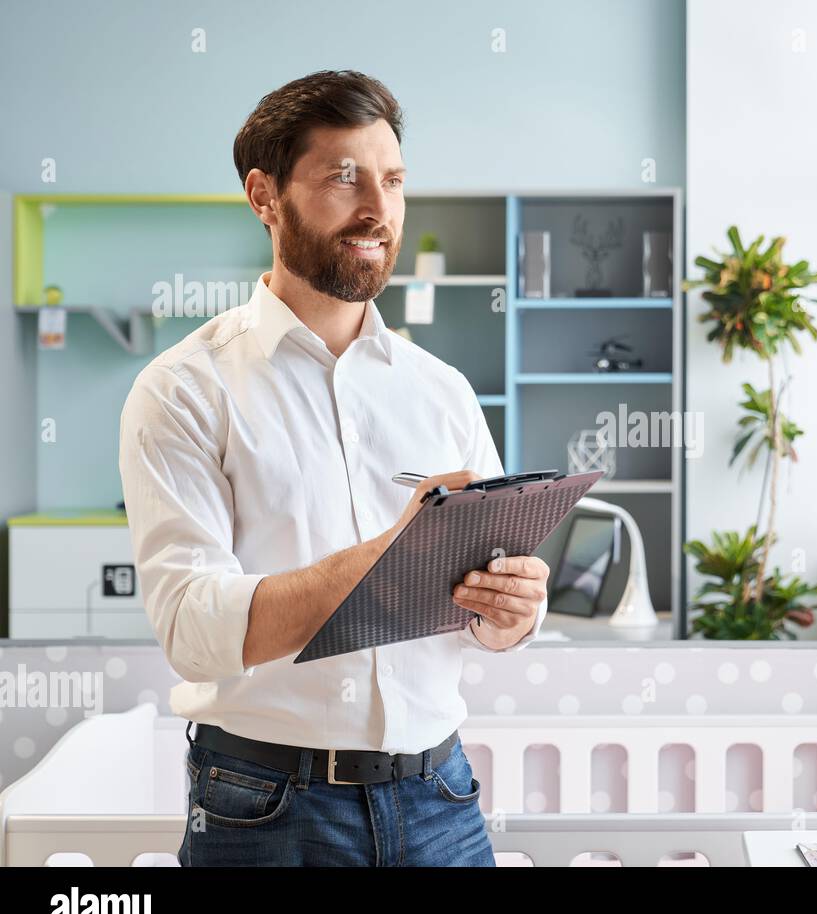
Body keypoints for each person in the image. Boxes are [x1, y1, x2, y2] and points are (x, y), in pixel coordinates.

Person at [118, 70, 548, 866]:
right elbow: (192, 626)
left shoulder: (442, 390)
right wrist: (393, 552)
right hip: (265, 808)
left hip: (441, 797)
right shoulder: (183, 390)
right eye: (343, 178)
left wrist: (514, 610)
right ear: (264, 196)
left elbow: (491, 605)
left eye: (391, 180)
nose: (378, 212)